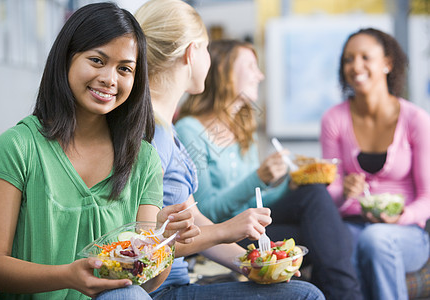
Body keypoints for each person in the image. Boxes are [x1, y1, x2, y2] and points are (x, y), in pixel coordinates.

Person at [0, 3, 199, 299]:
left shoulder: (144, 160)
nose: (110, 79)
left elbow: (145, 282)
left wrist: (163, 240)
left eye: (125, 69)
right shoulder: (19, 146)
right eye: (97, 60)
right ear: (66, 59)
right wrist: (67, 276)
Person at [129, 0, 324, 299]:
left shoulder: (170, 132)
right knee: (306, 294)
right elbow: (148, 241)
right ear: (193, 53)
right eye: (206, 47)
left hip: (179, 279)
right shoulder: (160, 135)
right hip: (162, 287)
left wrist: (251, 264)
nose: (259, 76)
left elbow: (195, 218)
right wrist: (230, 226)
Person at [176, 39, 364, 300]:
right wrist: (260, 177)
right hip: (224, 236)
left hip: (252, 227)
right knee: (328, 235)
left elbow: (257, 202)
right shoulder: (189, 129)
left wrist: (290, 182)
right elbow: (207, 212)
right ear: (225, 73)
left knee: (314, 197)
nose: (260, 75)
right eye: (251, 66)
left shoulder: (240, 129)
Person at [320, 27, 430, 300]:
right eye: (348, 59)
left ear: (387, 64)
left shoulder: (416, 120)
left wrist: (400, 217)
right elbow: (328, 195)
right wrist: (344, 192)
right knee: (339, 242)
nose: (356, 66)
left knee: (376, 239)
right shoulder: (334, 120)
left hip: (407, 233)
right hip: (352, 224)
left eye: (365, 57)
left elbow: (427, 198)